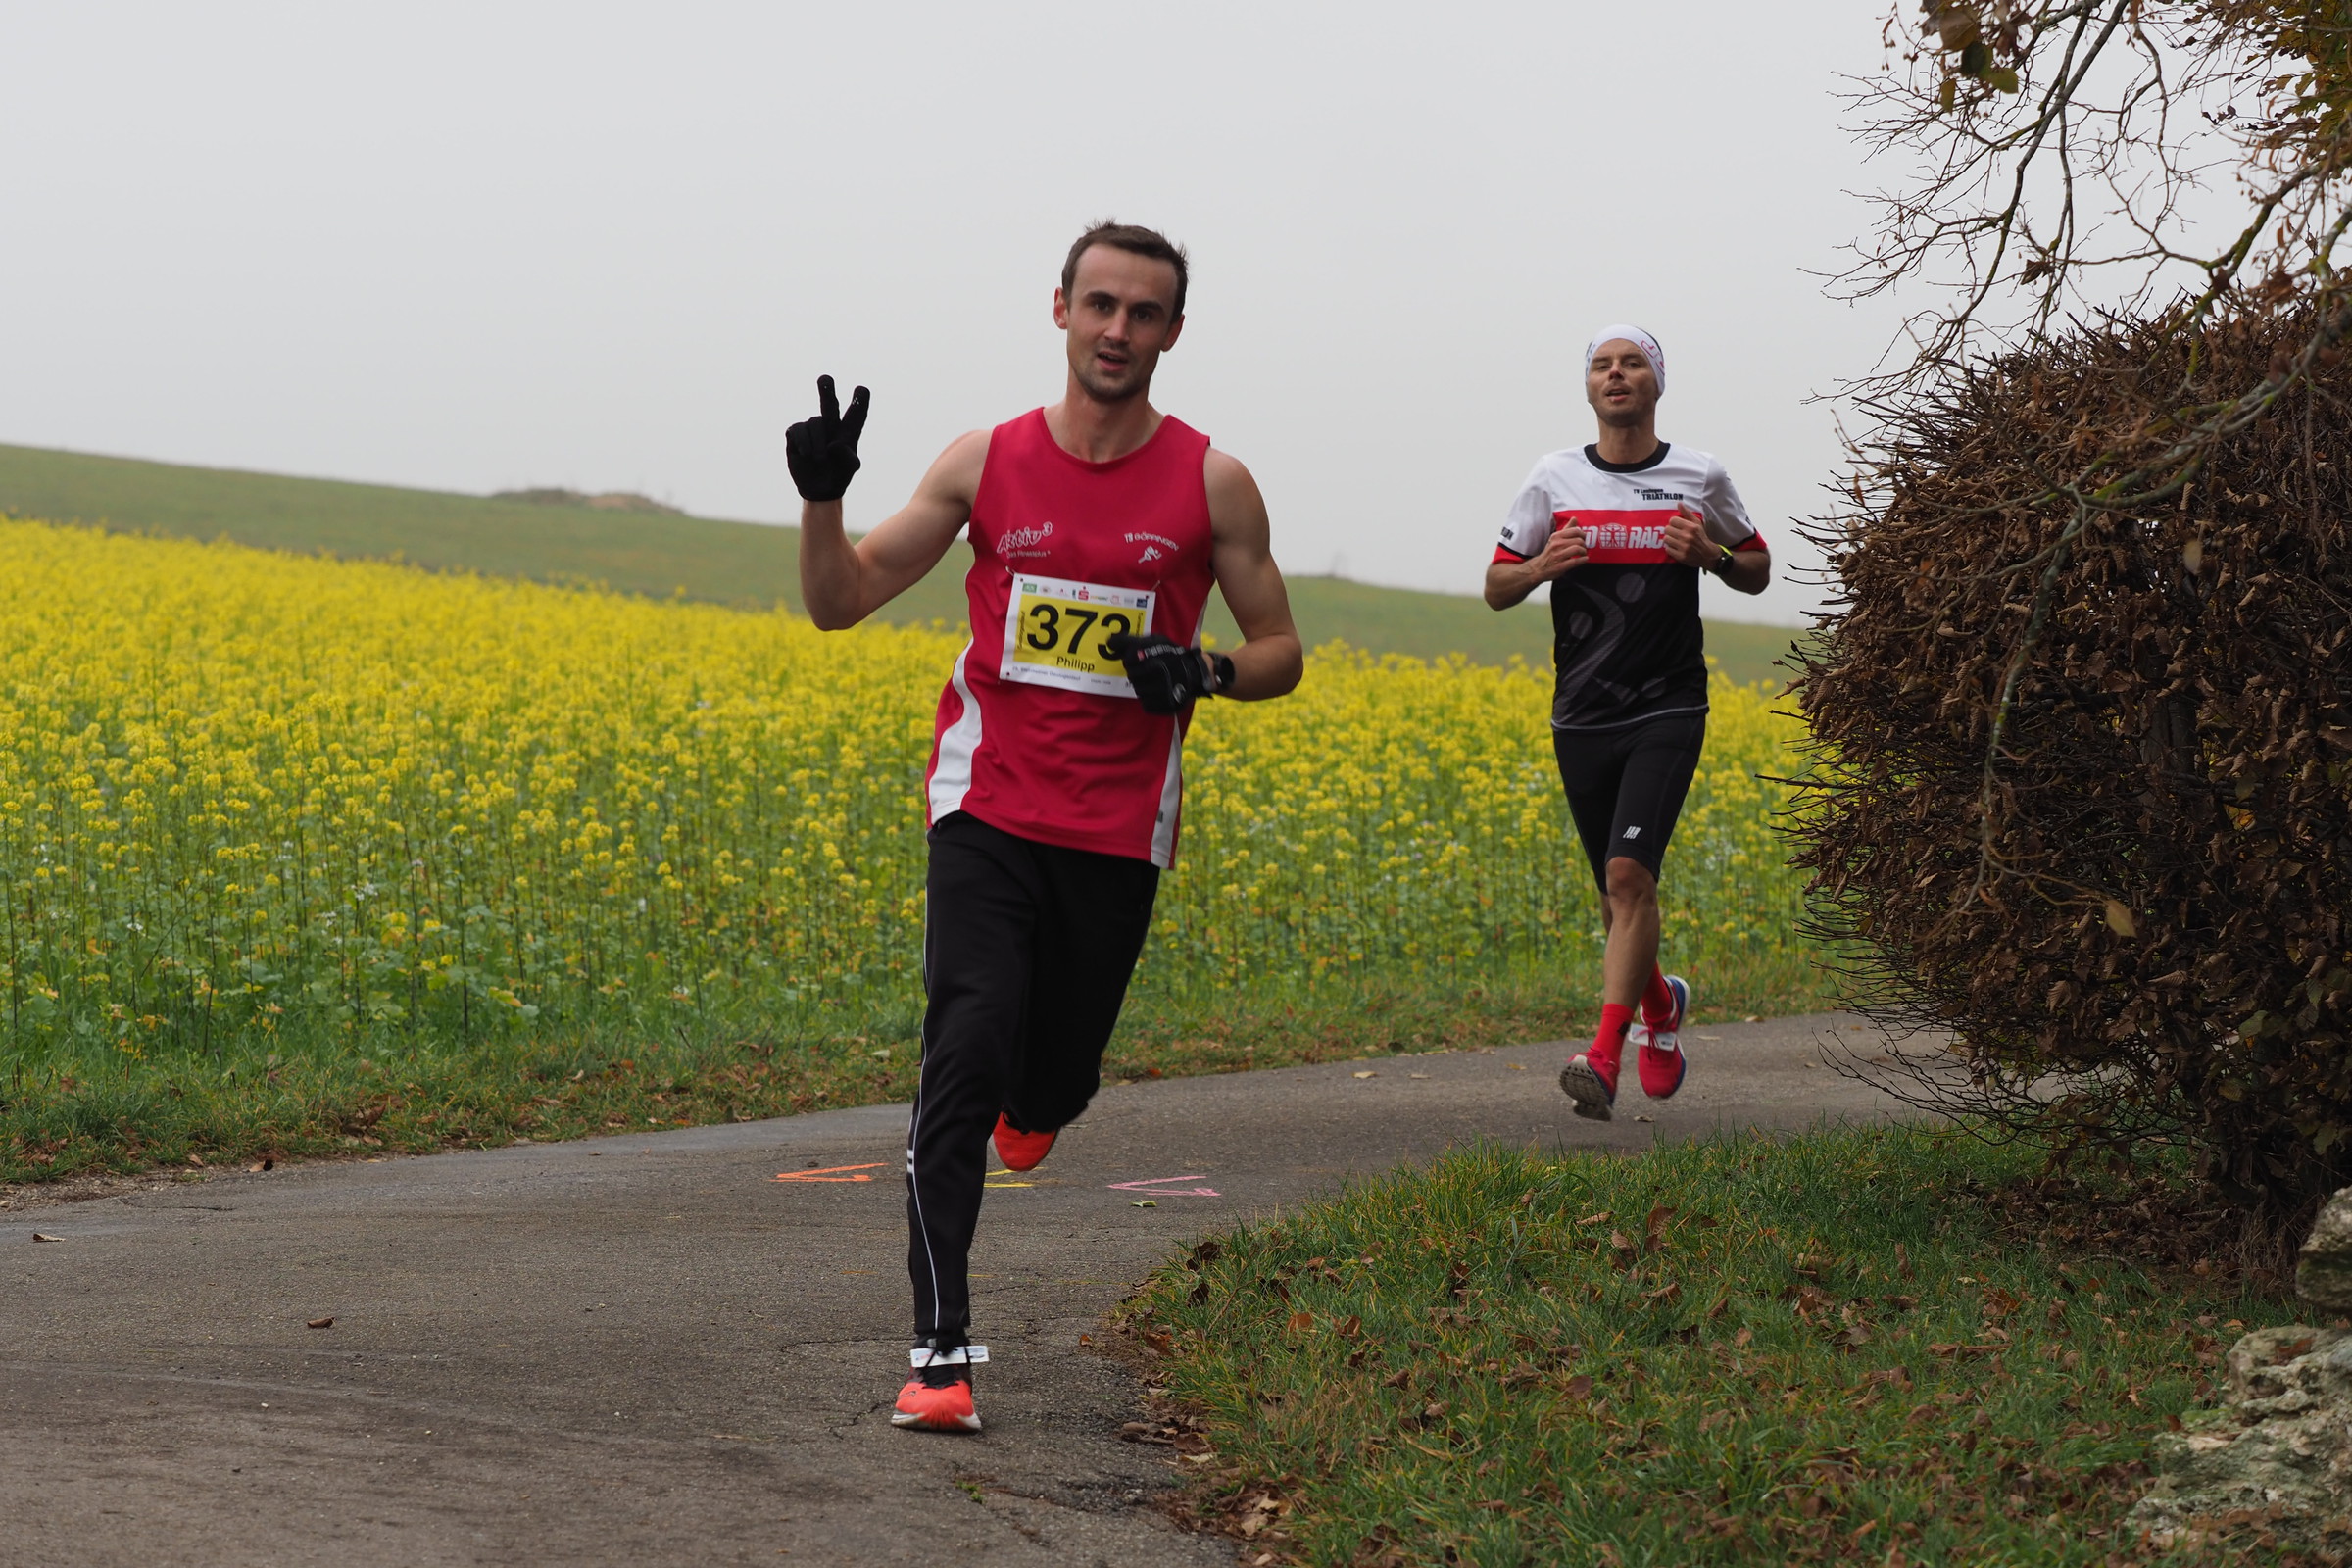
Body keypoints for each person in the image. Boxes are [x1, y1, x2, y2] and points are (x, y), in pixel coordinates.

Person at [787, 221, 1303, 1434]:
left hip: (1118, 830)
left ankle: (1042, 1102)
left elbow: (1281, 650)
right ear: (1061, 309)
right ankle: (940, 1352)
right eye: (1100, 304)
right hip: (987, 805)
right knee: (962, 1051)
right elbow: (839, 600)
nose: (1118, 330)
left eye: (1143, 312)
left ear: (1173, 331)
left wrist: (1207, 670)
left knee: (1055, 1076)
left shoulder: (1213, 483)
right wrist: (822, 498)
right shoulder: (986, 461)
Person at [1483, 325, 1771, 1121]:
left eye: (1633, 363)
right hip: (1581, 713)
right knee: (1616, 902)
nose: (1617, 375)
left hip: (1668, 703)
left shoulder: (1699, 474)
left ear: (1656, 383)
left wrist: (1711, 556)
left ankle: (1604, 1057)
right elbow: (1496, 587)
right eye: (1603, 365)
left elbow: (1756, 568)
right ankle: (1661, 1005)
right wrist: (1540, 567)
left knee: (1628, 878)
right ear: (1588, 388)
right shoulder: (1553, 476)